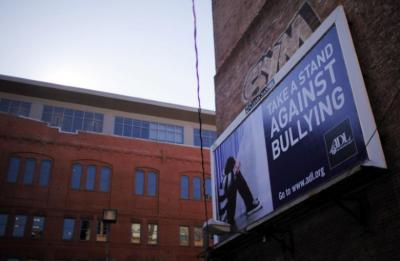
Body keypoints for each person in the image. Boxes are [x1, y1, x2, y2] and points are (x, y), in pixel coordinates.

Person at [218, 156, 261, 227]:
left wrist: (235, 169)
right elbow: (226, 183)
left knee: (236, 175)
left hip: (227, 217)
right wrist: (236, 169)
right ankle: (250, 205)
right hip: (226, 220)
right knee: (236, 176)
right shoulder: (224, 180)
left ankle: (250, 204)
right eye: (234, 165)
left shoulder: (225, 176)